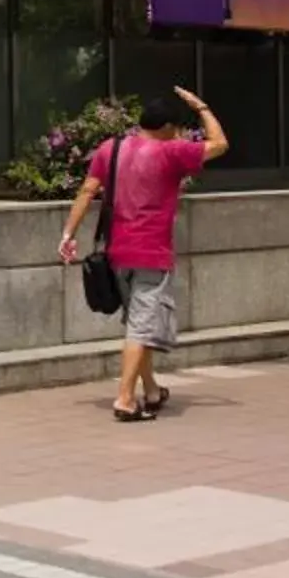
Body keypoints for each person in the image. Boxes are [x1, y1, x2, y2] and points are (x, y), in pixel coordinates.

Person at [60, 87, 229, 422]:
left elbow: (87, 189)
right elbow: (220, 143)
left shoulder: (112, 148)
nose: (180, 133)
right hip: (152, 253)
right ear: (167, 126)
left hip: (117, 253)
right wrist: (202, 107)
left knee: (139, 323)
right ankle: (124, 399)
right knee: (141, 326)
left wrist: (68, 234)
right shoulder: (172, 152)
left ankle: (151, 391)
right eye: (177, 128)